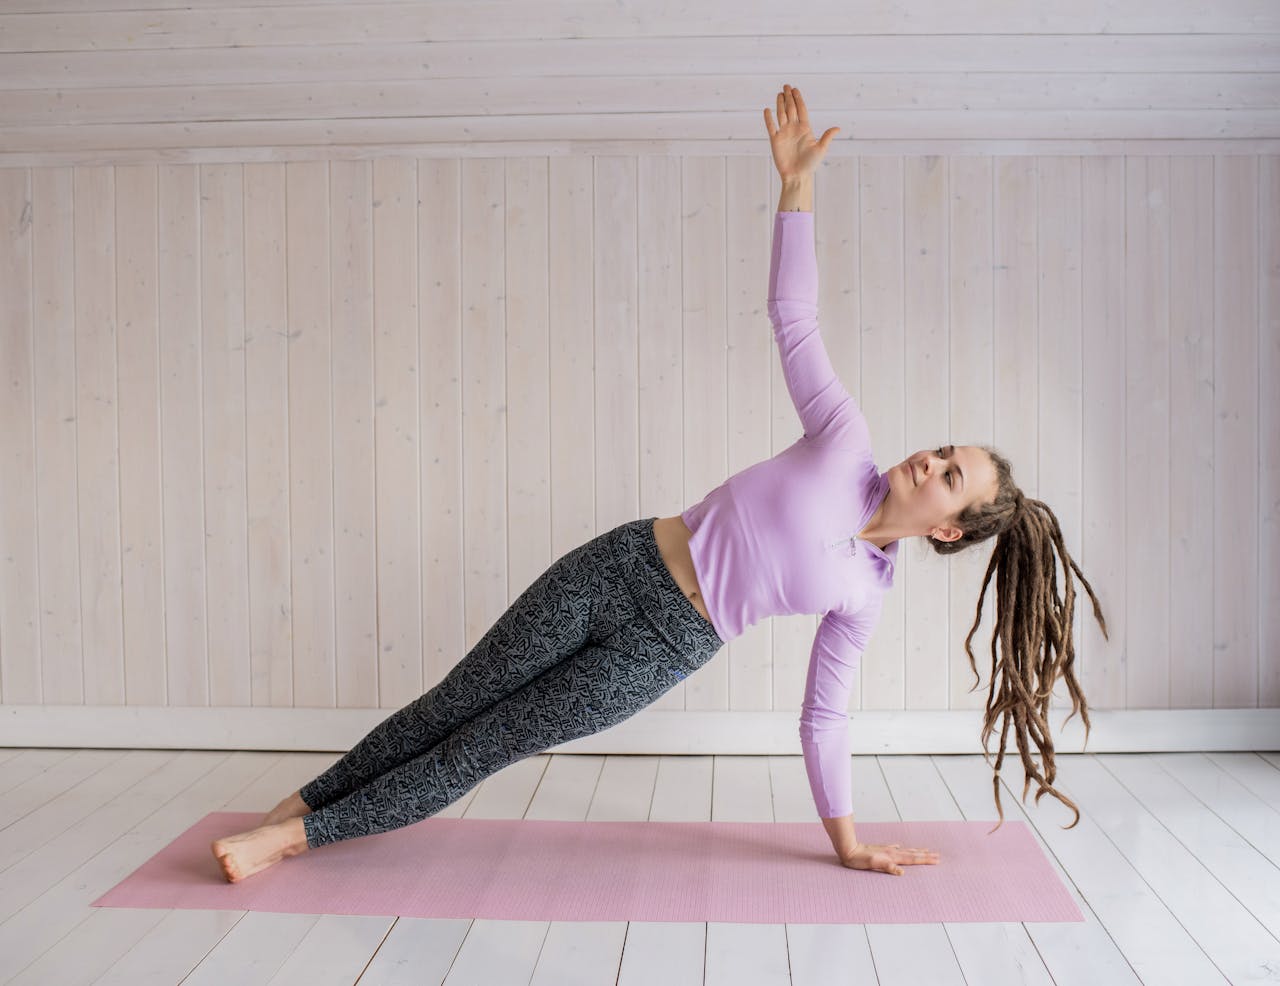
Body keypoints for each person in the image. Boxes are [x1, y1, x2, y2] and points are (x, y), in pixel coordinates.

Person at [212, 84, 1107, 884]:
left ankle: (290, 842)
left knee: (486, 745)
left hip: (663, 651)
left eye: (952, 477)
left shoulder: (865, 594)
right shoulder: (846, 440)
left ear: (950, 528)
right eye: (944, 450)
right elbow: (793, 316)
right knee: (453, 702)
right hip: (618, 564)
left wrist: (847, 844)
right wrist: (795, 189)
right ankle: (296, 809)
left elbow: (823, 718)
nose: (931, 461)